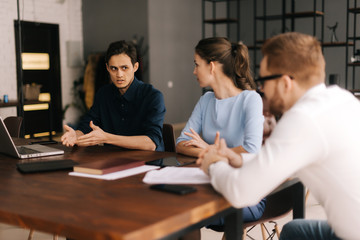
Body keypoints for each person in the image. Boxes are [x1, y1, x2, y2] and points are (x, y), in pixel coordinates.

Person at [197, 32, 360, 240]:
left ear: (285, 83)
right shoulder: (339, 98)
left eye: (263, 80)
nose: (261, 89)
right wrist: (238, 158)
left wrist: (213, 164)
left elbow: (240, 192)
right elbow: (279, 158)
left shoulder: (303, 119)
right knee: (294, 231)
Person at [175, 37, 266, 234]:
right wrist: (215, 154)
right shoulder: (206, 100)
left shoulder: (250, 100)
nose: (194, 71)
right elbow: (181, 143)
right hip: (213, 182)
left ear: (212, 66)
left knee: (189, 212)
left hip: (248, 191)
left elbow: (251, 150)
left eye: (197, 65)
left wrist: (207, 150)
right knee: (180, 207)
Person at [61, 40, 166, 151]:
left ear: (135, 67)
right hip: (114, 161)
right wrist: (75, 135)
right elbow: (86, 126)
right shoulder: (103, 94)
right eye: (114, 68)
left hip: (149, 163)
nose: (119, 75)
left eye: (124, 68)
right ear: (107, 68)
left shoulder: (153, 96)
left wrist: (106, 138)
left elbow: (151, 143)